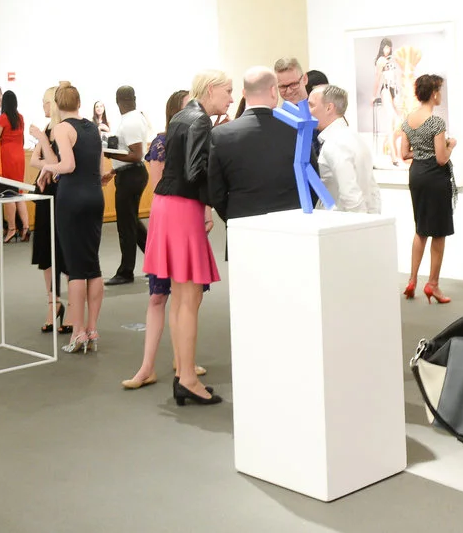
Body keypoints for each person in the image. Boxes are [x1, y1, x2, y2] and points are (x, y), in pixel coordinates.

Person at [146, 71, 232, 407]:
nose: (231, 98)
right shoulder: (200, 121)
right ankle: (187, 378)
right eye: (227, 91)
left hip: (168, 205)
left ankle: (185, 375)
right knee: (189, 297)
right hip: (182, 208)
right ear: (210, 89)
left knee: (182, 297)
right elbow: (197, 171)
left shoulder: (182, 117)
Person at [122, 89, 212, 390]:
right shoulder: (162, 142)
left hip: (188, 223)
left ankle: (182, 360)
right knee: (159, 296)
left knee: (190, 298)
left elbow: (200, 180)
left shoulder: (198, 137)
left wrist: (206, 212)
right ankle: (147, 367)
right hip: (171, 224)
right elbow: (162, 186)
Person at [36, 82, 104, 354]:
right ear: (79, 103)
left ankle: (77, 332)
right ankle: (92, 328)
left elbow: (68, 165)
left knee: (76, 269)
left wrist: (47, 168)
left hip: (72, 199)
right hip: (95, 196)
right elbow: (98, 166)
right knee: (93, 266)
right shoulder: (93, 128)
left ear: (57, 105)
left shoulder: (63, 128)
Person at [209, 67, 299, 223]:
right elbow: (311, 181)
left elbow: (216, 191)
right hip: (289, 223)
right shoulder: (295, 130)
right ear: (273, 91)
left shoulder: (220, 134)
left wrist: (233, 217)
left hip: (241, 222)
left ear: (244, 93)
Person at [400, 74, 455, 304]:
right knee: (439, 232)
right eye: (439, 90)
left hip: (417, 175)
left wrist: (422, 152)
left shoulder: (408, 120)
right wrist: (451, 145)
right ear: (433, 93)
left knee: (421, 229)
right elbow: (441, 158)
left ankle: (412, 280)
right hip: (434, 176)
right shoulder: (436, 123)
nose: (440, 94)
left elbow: (404, 154)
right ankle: (433, 284)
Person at [28, 86, 67, 334]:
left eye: (45, 102)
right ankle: (53, 303)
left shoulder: (63, 129)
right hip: (45, 195)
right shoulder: (47, 129)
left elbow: (60, 165)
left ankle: (70, 306)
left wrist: (47, 160)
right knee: (46, 253)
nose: (42, 106)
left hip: (61, 196)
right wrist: (47, 167)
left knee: (63, 252)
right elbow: (35, 160)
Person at [309, 84, 380, 214]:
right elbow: (372, 191)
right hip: (358, 218)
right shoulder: (355, 138)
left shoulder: (335, 143)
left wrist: (361, 223)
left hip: (342, 221)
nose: (308, 111)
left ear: (329, 108)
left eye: (311, 105)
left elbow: (350, 194)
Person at [104, 85, 150, 285]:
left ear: (117, 101)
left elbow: (136, 155)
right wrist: (113, 170)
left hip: (131, 176)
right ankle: (157, 264)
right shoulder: (134, 118)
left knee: (126, 225)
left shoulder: (130, 121)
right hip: (131, 173)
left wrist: (110, 154)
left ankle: (126, 272)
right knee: (132, 222)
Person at [0, 90, 30, 243]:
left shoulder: (2, 118)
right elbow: (22, 139)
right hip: (19, 156)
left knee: (8, 194)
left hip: (7, 157)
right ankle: (26, 228)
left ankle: (12, 229)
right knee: (19, 193)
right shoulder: (20, 118)